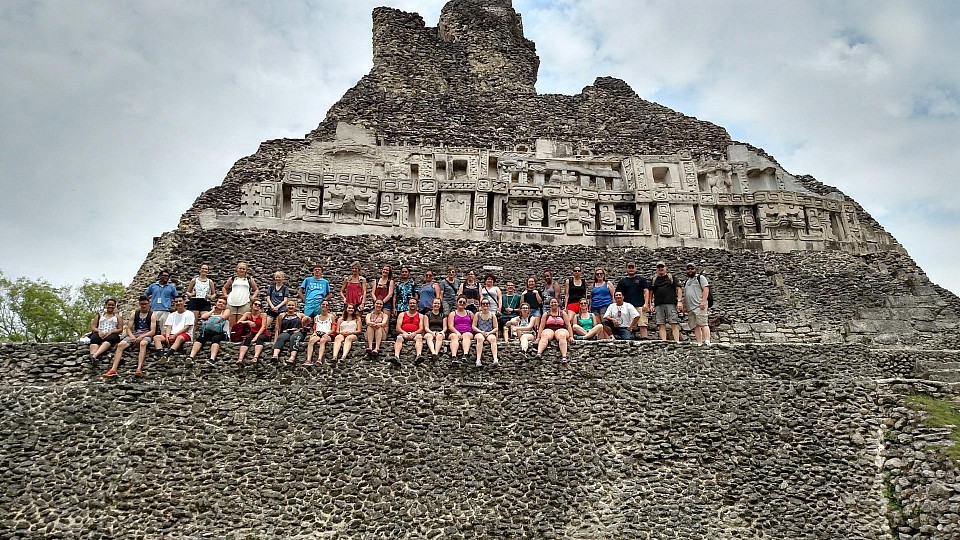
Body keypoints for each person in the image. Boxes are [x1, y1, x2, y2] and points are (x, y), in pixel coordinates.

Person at [103, 296, 154, 378]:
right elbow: (128, 329)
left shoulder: (152, 315)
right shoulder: (135, 314)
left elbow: (152, 331)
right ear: (139, 304)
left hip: (146, 334)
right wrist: (132, 336)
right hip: (135, 334)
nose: (144, 306)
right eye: (142, 304)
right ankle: (113, 369)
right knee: (120, 345)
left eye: (145, 304)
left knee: (143, 344)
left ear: (149, 304)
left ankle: (139, 368)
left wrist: (142, 336)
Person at [189, 297, 232, 364]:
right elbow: (203, 317)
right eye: (219, 302)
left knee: (215, 339)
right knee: (200, 338)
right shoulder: (212, 312)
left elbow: (224, 317)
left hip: (222, 333)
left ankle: (212, 359)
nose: (221, 304)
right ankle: (191, 357)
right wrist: (212, 311)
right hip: (210, 331)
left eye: (224, 303)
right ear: (216, 303)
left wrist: (215, 316)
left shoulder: (226, 311)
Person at [616, 262, 651, 339]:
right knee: (627, 324)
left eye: (632, 267)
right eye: (629, 268)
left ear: (635, 269)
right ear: (626, 269)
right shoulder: (622, 281)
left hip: (640, 305)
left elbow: (646, 291)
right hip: (627, 307)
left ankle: (645, 339)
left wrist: (646, 303)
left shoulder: (641, 279)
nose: (631, 269)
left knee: (642, 323)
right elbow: (618, 294)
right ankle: (628, 339)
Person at [650, 261, 683, 342]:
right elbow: (651, 293)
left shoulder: (671, 278)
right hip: (658, 304)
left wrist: (679, 301)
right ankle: (663, 341)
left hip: (671, 303)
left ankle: (677, 341)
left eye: (662, 267)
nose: (660, 268)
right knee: (661, 324)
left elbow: (678, 289)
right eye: (658, 267)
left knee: (674, 323)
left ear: (665, 268)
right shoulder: (654, 280)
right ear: (656, 269)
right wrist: (650, 304)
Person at [535, 297, 573, 363]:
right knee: (544, 335)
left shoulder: (563, 313)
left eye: (555, 302)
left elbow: (568, 325)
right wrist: (538, 337)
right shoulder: (546, 314)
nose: (553, 304)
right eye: (552, 302)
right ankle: (539, 353)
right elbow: (541, 326)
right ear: (550, 304)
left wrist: (571, 336)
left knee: (562, 335)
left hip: (561, 329)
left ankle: (564, 356)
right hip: (549, 329)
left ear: (558, 303)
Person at [682, 262, 712, 346]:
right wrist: (685, 306)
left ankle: (707, 341)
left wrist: (703, 301)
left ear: (695, 269)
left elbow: (706, 289)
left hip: (699, 305)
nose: (690, 270)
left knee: (703, 323)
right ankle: (699, 342)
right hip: (690, 307)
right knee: (695, 326)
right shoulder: (687, 281)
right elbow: (686, 294)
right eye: (688, 269)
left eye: (692, 269)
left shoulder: (700, 278)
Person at [223, 262, 259, 328]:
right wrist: (226, 295)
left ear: (246, 270)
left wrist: (253, 297)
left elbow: (256, 289)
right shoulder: (232, 279)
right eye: (240, 268)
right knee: (231, 323)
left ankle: (239, 335)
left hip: (244, 302)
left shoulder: (249, 279)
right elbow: (225, 288)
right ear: (237, 269)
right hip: (232, 302)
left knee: (241, 323)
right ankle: (231, 334)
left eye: (243, 269)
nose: (241, 270)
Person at [236, 300, 270, 365]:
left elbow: (263, 327)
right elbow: (238, 322)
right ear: (252, 305)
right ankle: (240, 358)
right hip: (252, 332)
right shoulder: (248, 314)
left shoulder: (263, 315)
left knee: (260, 339)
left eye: (259, 305)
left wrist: (256, 337)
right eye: (255, 304)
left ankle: (255, 357)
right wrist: (247, 321)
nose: (257, 306)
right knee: (246, 339)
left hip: (262, 333)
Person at [393, 297, 424, 365]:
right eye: (411, 303)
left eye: (414, 303)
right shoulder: (402, 314)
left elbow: (421, 328)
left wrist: (414, 333)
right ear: (408, 304)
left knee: (419, 337)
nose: (412, 304)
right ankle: (396, 357)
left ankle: (419, 355)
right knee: (399, 338)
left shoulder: (420, 316)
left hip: (415, 334)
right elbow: (398, 328)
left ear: (417, 305)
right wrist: (404, 333)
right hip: (404, 333)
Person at [304, 300, 337, 365]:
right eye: (323, 304)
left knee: (323, 340)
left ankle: (319, 359)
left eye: (326, 305)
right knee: (311, 340)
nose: (324, 306)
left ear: (328, 307)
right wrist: (314, 333)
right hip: (318, 333)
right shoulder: (316, 317)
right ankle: (308, 360)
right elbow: (315, 328)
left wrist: (327, 334)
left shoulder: (331, 317)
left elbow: (333, 329)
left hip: (327, 334)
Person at [472, 298, 499, 367]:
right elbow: (474, 326)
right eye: (483, 304)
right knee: (480, 339)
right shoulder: (477, 314)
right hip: (479, 332)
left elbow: (496, 328)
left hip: (489, 332)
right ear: (481, 305)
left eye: (487, 303)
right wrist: (481, 331)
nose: (485, 305)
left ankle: (495, 359)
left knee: (493, 339)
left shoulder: (492, 315)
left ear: (489, 305)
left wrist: (489, 333)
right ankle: (478, 360)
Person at [446, 295, 474, 361]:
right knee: (454, 337)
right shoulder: (452, 314)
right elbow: (450, 326)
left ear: (466, 304)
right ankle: (454, 356)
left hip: (467, 332)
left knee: (466, 335)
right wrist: (457, 332)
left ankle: (465, 354)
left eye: (464, 302)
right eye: (460, 302)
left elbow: (473, 324)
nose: (462, 303)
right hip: (455, 332)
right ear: (457, 303)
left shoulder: (470, 313)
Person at [424, 298, 447, 362]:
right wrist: (432, 333)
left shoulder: (443, 315)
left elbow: (445, 327)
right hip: (430, 332)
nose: (436, 305)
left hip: (440, 332)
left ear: (440, 305)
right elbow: (426, 327)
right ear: (432, 304)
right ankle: (433, 352)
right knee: (429, 336)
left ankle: (436, 353)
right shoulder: (427, 315)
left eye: (438, 303)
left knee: (439, 336)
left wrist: (442, 332)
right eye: (435, 303)